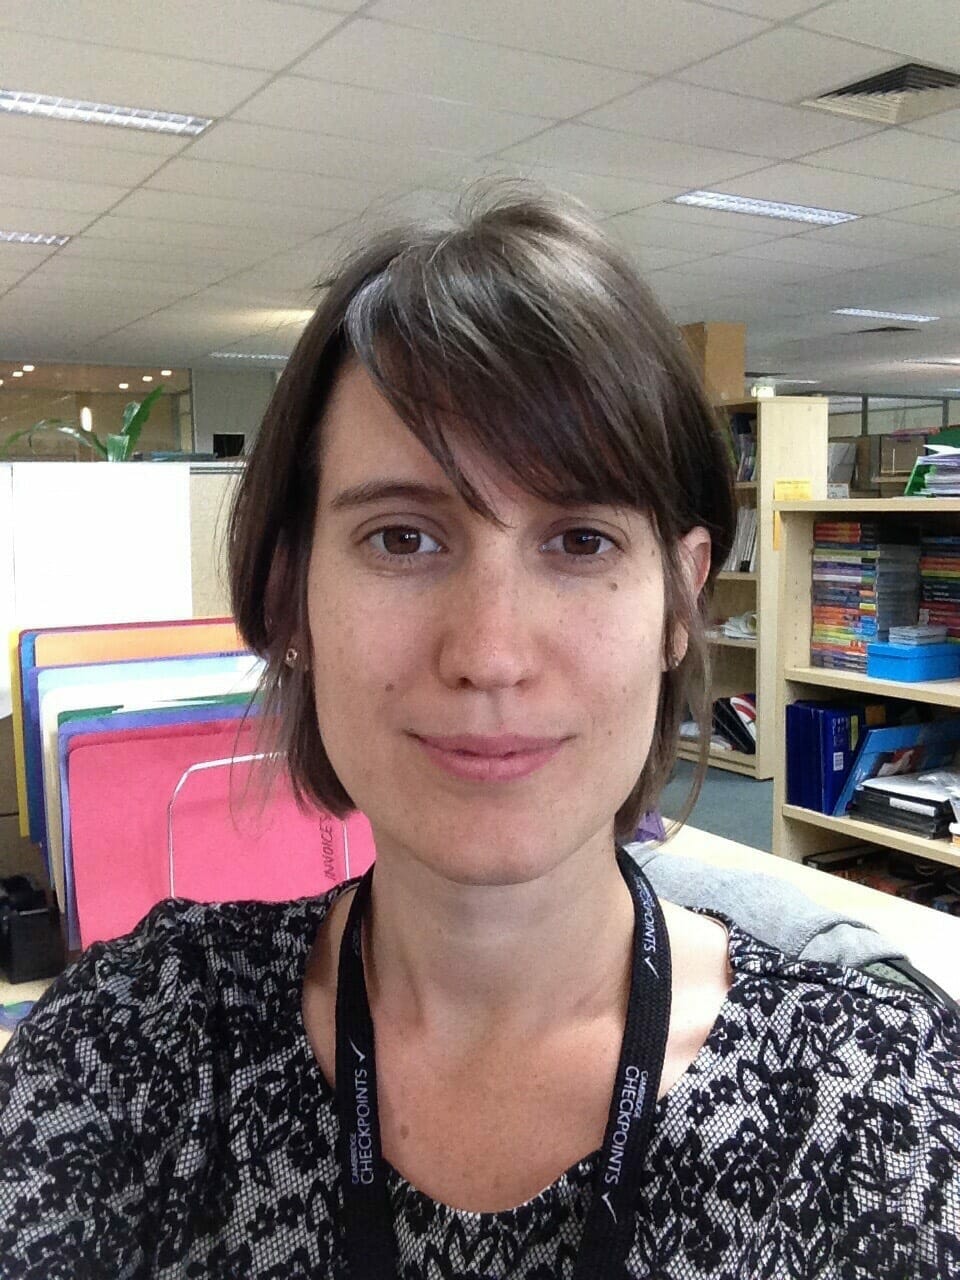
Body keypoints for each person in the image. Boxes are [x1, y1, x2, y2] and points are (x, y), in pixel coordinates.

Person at [1, 185, 959, 1280]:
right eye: (403, 536)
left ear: (678, 605)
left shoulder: (874, 1105)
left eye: (582, 539)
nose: (491, 650)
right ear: (289, 594)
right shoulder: (134, 1052)